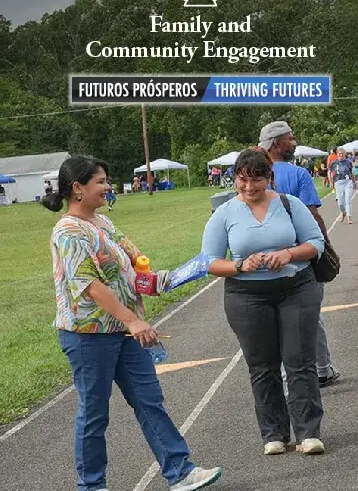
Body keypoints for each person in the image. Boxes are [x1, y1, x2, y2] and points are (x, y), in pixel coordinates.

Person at [45, 155, 224, 491]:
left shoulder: (103, 223)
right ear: (77, 188)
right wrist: (133, 321)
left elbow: (128, 272)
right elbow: (90, 286)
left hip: (125, 330)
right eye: (101, 181)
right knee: (95, 413)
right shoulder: (69, 231)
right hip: (89, 336)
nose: (108, 187)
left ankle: (180, 471)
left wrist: (171, 278)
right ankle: (92, 485)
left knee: (148, 400)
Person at [202, 149, 327, 455]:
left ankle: (308, 432)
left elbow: (316, 243)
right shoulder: (225, 213)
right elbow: (208, 261)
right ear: (235, 179)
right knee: (262, 366)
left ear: (268, 178)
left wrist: (287, 254)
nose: (249, 187)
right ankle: (274, 433)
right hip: (246, 296)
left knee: (300, 361)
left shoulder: (289, 204)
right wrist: (239, 266)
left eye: (256, 180)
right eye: (243, 180)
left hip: (295, 287)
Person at [259, 122, 341, 387]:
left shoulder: (255, 175)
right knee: (309, 313)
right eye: (290, 138)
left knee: (273, 319)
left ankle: (285, 374)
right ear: (277, 144)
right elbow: (313, 214)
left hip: (265, 257)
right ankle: (321, 367)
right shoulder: (299, 175)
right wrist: (325, 248)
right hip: (300, 253)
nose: (294, 142)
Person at [329, 147, 355, 224]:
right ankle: (343, 212)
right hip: (338, 182)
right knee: (340, 202)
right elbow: (330, 172)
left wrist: (353, 181)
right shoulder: (334, 163)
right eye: (339, 154)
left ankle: (349, 217)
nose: (341, 155)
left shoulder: (348, 162)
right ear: (337, 154)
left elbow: (351, 172)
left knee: (348, 200)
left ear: (344, 154)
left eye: (342, 153)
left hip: (348, 182)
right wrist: (331, 182)